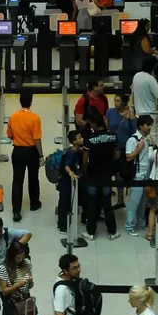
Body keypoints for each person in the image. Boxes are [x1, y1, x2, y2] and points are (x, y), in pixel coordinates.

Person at [81, 113, 120, 241]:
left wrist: (85, 173)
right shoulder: (113, 137)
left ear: (94, 124)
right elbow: (115, 155)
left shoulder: (89, 139)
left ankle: (91, 232)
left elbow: (85, 160)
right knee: (107, 203)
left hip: (92, 174)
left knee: (92, 204)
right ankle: (112, 231)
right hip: (107, 174)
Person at [7, 92, 44, 221]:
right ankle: (34, 203)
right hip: (32, 152)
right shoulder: (35, 118)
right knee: (33, 178)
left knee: (17, 181)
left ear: (20, 101)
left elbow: (10, 135)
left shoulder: (13, 117)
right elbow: (37, 139)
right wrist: (41, 155)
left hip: (17, 151)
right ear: (31, 102)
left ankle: (16, 211)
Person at [132, 56, 158, 146]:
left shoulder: (136, 76)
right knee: (151, 141)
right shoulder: (150, 79)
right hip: (150, 115)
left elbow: (133, 94)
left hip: (139, 115)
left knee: (140, 140)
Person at [107, 94, 137, 207]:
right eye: (114, 100)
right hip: (113, 147)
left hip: (126, 148)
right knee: (111, 171)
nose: (115, 103)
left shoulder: (130, 114)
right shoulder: (110, 112)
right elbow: (107, 127)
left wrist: (132, 119)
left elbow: (134, 131)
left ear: (124, 102)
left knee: (122, 173)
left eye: (118, 101)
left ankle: (121, 200)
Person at [125, 115, 153, 236]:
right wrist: (139, 149)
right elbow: (129, 157)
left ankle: (141, 222)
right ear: (141, 125)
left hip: (146, 175)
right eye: (148, 125)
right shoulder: (132, 140)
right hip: (137, 175)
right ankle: (129, 225)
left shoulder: (147, 139)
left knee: (143, 201)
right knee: (134, 202)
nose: (150, 127)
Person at [0, 240, 35, 315]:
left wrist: (30, 281)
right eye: (18, 257)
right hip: (12, 306)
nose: (20, 260)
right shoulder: (3, 268)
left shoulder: (27, 263)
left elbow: (30, 286)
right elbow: (4, 291)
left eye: (22, 257)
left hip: (26, 302)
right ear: (12, 256)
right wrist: (17, 285)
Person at [57, 130, 83, 234]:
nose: (82, 139)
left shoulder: (77, 151)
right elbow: (66, 166)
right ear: (74, 141)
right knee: (64, 202)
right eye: (79, 138)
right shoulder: (71, 153)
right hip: (65, 182)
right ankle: (62, 225)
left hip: (69, 182)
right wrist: (71, 173)